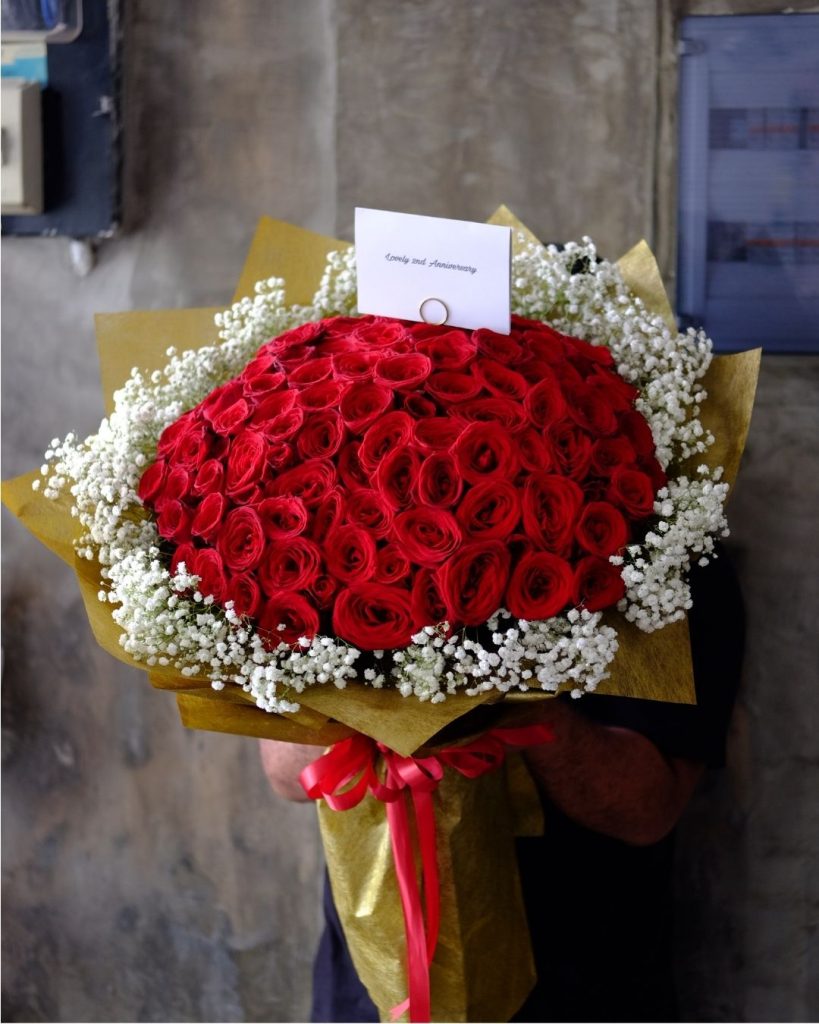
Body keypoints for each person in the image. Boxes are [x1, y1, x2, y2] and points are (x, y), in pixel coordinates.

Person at [260, 550, 745, 1023]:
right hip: (375, 990)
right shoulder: (343, 549)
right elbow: (285, 773)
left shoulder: (668, 556)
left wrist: (514, 698)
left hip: (584, 985)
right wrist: (376, 683)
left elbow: (647, 809)